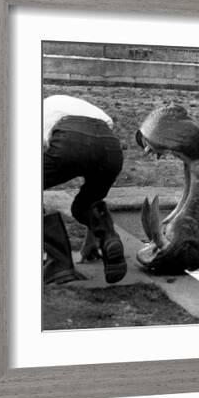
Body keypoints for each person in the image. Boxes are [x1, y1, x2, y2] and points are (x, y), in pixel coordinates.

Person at [43, 94, 127, 284]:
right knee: (85, 204)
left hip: (70, 139)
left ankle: (59, 263)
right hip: (111, 147)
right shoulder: (72, 105)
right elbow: (95, 147)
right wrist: (92, 238)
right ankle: (108, 238)